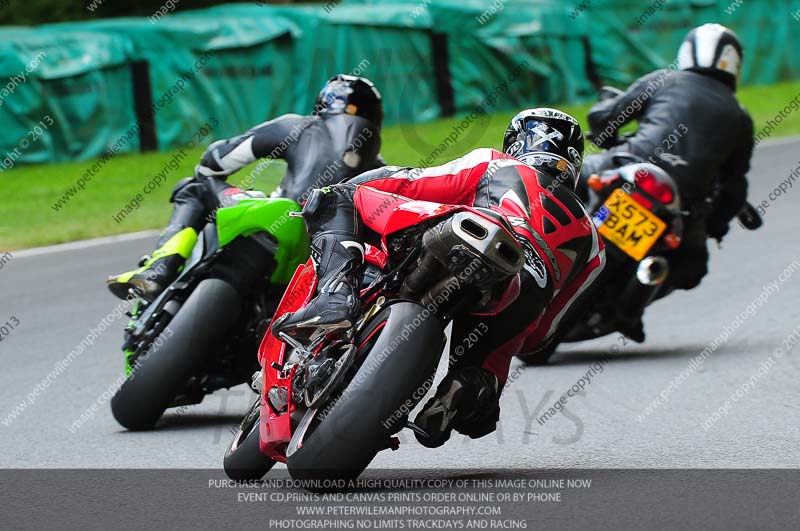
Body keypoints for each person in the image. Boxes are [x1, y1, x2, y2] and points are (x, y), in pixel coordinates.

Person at [272, 108, 605, 447]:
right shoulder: (594, 242)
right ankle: (469, 388)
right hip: (526, 287)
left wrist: (353, 185)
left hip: (466, 230)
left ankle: (335, 296)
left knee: (336, 198)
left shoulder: (496, 164)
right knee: (488, 369)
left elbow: (409, 183)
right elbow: (542, 337)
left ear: (516, 144)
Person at [107, 74, 386, 300]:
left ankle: (160, 266)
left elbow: (216, 160)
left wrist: (219, 177)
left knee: (194, 186)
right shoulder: (381, 168)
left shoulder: (299, 126)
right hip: (325, 263)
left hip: (282, 220)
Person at [581, 23, 753, 340]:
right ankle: (629, 309)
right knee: (692, 265)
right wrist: (717, 226)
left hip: (628, 169)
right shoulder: (740, 117)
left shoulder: (664, 79)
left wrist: (605, 117)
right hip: (680, 205)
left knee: (571, 175)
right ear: (734, 63)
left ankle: (538, 239)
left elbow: (605, 119)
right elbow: (734, 186)